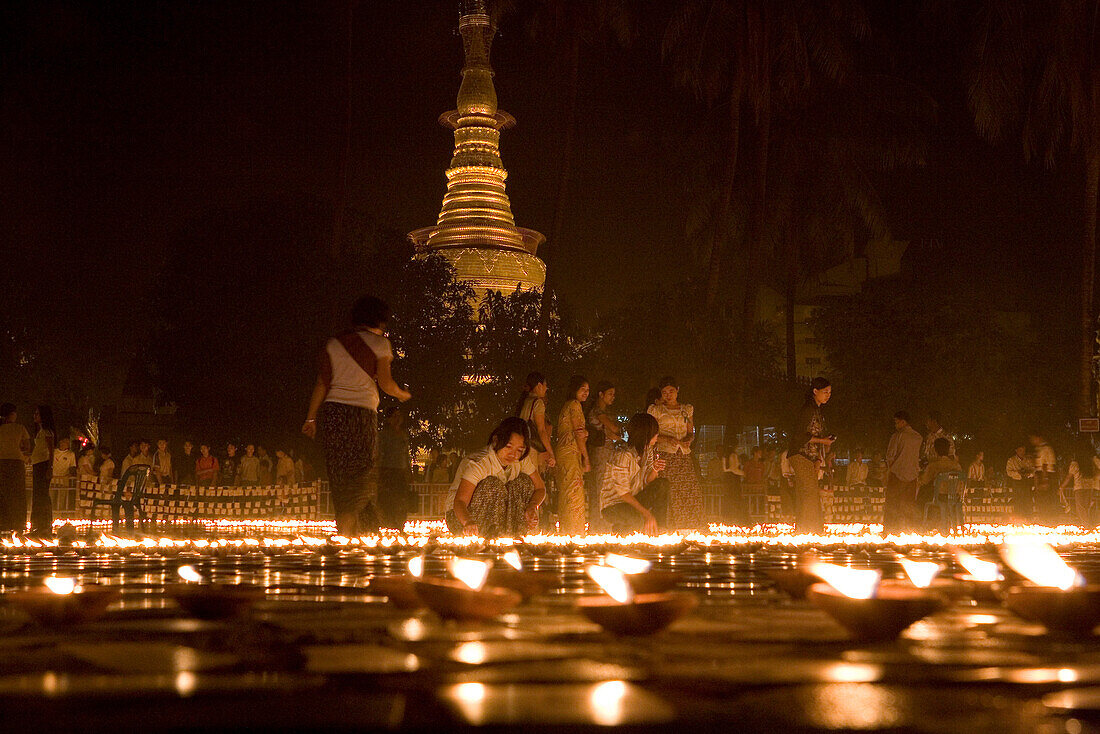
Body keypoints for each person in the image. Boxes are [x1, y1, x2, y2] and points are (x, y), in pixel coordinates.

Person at [303, 295, 412, 536]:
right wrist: (401, 394)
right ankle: (351, 532)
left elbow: (321, 384)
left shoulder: (333, 343)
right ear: (380, 321)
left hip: (333, 416)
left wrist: (311, 419)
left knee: (341, 477)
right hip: (360, 415)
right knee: (363, 474)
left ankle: (347, 531)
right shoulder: (380, 344)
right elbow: (385, 383)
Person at [446, 418, 545, 538]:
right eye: (508, 447)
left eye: (519, 450)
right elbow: (460, 502)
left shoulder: (520, 460)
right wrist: (468, 522)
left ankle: (514, 536)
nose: (513, 454)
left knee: (524, 482)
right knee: (493, 484)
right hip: (462, 518)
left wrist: (532, 506)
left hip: (500, 515)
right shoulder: (480, 463)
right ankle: (488, 537)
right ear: (496, 440)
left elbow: (540, 488)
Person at [598, 412, 669, 534]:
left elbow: (648, 481)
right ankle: (620, 537)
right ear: (646, 433)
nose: (657, 435)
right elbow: (623, 493)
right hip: (614, 505)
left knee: (662, 484)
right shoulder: (622, 455)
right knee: (638, 520)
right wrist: (647, 514)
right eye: (655, 432)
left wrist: (655, 470)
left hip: (635, 499)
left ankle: (660, 528)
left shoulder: (647, 451)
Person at [647, 376, 703, 529]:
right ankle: (667, 526)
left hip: (683, 455)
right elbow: (651, 432)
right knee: (669, 490)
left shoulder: (687, 409)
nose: (668, 395)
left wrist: (688, 440)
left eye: (671, 391)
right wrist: (666, 439)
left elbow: (690, 431)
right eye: (664, 392)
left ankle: (689, 527)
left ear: (677, 390)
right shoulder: (656, 410)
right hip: (666, 454)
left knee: (689, 489)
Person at [787, 377, 834, 533]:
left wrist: (818, 459)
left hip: (810, 457)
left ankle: (804, 530)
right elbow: (799, 436)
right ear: (815, 391)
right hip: (800, 455)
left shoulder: (818, 411)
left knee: (805, 493)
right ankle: (810, 531)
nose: (828, 395)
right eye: (825, 392)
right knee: (810, 493)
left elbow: (817, 439)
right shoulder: (808, 410)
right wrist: (822, 440)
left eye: (830, 392)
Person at [554, 375, 592, 533]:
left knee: (567, 493)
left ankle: (567, 533)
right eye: (582, 389)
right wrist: (586, 458)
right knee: (574, 494)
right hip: (570, 453)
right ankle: (574, 534)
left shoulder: (567, 405)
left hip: (564, 453)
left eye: (588, 390)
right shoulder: (575, 405)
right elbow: (578, 433)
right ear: (574, 389)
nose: (586, 393)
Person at [586, 381, 621, 526]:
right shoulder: (598, 411)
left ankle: (602, 522)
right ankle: (598, 523)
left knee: (603, 487)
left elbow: (616, 432)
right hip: (600, 452)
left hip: (606, 452)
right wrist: (612, 431)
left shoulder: (605, 412)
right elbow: (615, 429)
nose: (613, 397)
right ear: (601, 394)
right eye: (610, 394)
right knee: (599, 487)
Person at [883, 411, 922, 534]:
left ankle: (891, 530)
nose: (895, 425)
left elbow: (890, 456)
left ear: (903, 422)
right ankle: (907, 530)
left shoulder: (897, 436)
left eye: (896, 422)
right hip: (912, 476)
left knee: (893, 504)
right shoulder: (918, 437)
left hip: (897, 474)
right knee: (908, 504)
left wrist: (891, 468)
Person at [378, 406, 413, 529]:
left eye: (399, 416)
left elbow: (406, 455)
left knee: (401, 500)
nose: (398, 419)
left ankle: (399, 525)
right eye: (395, 416)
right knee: (388, 500)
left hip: (401, 473)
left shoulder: (403, 435)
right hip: (387, 471)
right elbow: (379, 454)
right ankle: (387, 525)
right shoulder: (384, 435)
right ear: (389, 419)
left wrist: (408, 471)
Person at [917, 437, 963, 527]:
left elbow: (923, 481)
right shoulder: (957, 465)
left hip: (940, 497)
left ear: (935, 450)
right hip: (955, 497)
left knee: (922, 494)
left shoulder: (934, 466)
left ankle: (923, 523)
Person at [0, 404, 31, 533]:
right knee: (18, 494)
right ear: (12, 414)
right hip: (17, 462)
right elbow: (27, 446)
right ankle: (18, 523)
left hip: (1, 461)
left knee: (3, 492)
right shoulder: (20, 428)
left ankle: (4, 522)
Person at [516, 372, 556, 469]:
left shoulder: (525, 400)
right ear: (539, 385)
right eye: (545, 385)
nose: (546, 388)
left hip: (520, 446)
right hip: (531, 448)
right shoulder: (538, 403)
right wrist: (551, 453)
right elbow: (541, 430)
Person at [1059, 440, 1100, 527]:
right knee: (1087, 508)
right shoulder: (1091, 462)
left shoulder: (1075, 463)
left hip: (1079, 488)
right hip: (1090, 487)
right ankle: (1088, 526)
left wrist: (1061, 487)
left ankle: (1086, 526)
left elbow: (1069, 477)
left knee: (1081, 509)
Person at [29, 405, 56, 536]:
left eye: (37, 414)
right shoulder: (40, 432)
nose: (35, 416)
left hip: (43, 465)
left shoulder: (47, 432)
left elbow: (51, 450)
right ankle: (37, 524)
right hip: (37, 464)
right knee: (38, 495)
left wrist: (50, 467)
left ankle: (43, 525)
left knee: (42, 495)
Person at [1029, 431, 1058, 524]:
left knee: (1046, 501)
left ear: (1039, 438)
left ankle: (1048, 521)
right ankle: (1043, 520)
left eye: (1033, 438)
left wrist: (1044, 480)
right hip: (1040, 475)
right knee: (1040, 501)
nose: (1032, 441)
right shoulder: (1038, 449)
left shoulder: (1046, 449)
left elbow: (1045, 465)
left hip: (1045, 476)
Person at [1005, 444, 1034, 519]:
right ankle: (1018, 519)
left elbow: (1033, 470)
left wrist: (1028, 474)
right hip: (1017, 482)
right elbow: (1009, 472)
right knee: (1018, 500)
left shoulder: (1028, 460)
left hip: (1026, 482)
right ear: (1016, 450)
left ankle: (1028, 518)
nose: (1022, 452)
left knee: (1027, 500)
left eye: (1024, 450)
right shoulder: (1011, 460)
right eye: (1020, 450)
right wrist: (1018, 473)